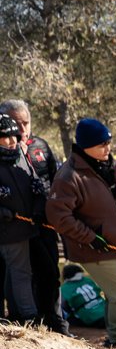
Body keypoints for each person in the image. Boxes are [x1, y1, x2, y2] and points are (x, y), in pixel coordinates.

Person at [45, 118, 116, 348]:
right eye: (101, 144)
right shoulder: (68, 176)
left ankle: (114, 338)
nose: (107, 148)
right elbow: (58, 216)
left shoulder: (111, 166)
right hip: (93, 248)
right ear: (85, 146)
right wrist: (90, 237)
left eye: (109, 142)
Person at [0, 99, 68, 335]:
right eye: (15, 125)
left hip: (40, 224)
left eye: (25, 123)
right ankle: (23, 318)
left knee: (48, 273)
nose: (20, 131)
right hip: (11, 228)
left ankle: (56, 322)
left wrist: (43, 208)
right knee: (18, 273)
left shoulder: (38, 148)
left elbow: (48, 181)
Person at [0, 113, 45, 323]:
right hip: (8, 229)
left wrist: (38, 209)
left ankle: (17, 314)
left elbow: (36, 184)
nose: (11, 141)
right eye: (5, 137)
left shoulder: (21, 156)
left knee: (15, 271)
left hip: (27, 226)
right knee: (21, 272)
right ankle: (30, 317)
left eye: (14, 136)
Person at [60, 263, 107, 328]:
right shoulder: (87, 280)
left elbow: (63, 307)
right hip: (107, 313)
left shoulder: (64, 288)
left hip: (92, 319)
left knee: (68, 318)